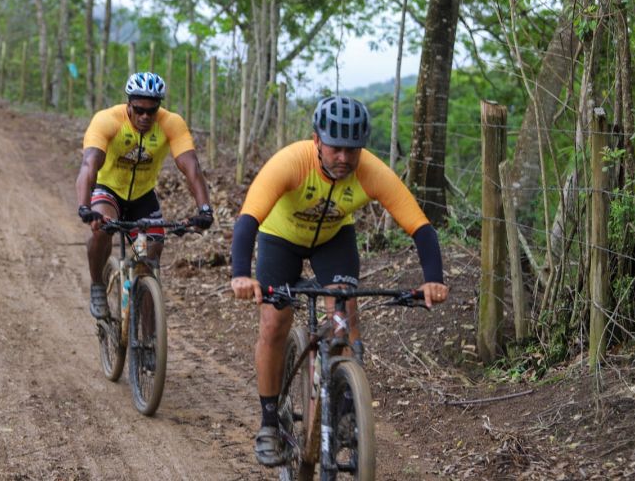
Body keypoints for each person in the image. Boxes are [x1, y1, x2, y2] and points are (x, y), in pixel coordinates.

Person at [230, 95, 449, 467]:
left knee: (345, 312)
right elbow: (248, 220)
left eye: (353, 150)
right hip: (280, 237)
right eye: (335, 148)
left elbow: (421, 227)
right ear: (317, 140)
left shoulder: (370, 171)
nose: (345, 158)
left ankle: (347, 410)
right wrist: (240, 276)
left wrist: (433, 280)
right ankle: (269, 422)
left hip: (333, 239)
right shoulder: (290, 162)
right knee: (273, 321)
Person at [76, 72, 214, 319]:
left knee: (150, 260)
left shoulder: (171, 123)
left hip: (142, 196)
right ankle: (97, 284)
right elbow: (89, 165)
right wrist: (85, 208)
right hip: (109, 190)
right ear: (128, 103)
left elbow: (191, 167)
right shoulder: (107, 120)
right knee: (102, 228)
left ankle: (149, 343)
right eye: (139, 109)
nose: (145, 117)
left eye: (152, 111)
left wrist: (204, 209)